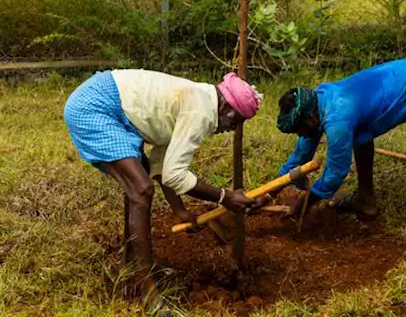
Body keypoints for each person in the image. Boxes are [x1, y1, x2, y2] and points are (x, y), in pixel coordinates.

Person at [62, 68, 269, 303]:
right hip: (95, 106)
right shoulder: (201, 111)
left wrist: (180, 211)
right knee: (141, 189)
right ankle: (146, 287)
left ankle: (131, 270)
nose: (232, 129)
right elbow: (175, 175)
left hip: (107, 103)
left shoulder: (199, 99)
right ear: (225, 108)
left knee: (136, 187)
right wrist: (225, 197)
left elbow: (162, 166)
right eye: (236, 120)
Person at [274, 58, 406, 281]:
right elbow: (302, 151)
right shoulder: (320, 100)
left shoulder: (338, 119)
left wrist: (305, 202)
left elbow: (335, 174)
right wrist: (271, 190)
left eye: (299, 129)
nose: (300, 135)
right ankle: (365, 199)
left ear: (311, 118)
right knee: (361, 134)